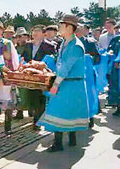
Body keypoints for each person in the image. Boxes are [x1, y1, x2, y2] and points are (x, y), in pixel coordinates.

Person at [37, 15, 89, 152]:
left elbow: (66, 67)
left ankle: (59, 143)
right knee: (68, 111)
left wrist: (56, 84)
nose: (59, 28)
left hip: (71, 84)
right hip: (67, 82)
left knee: (59, 111)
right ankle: (71, 140)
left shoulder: (76, 46)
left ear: (69, 28)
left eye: (61, 25)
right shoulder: (65, 43)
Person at [17, 25, 56, 128]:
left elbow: (52, 62)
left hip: (42, 76)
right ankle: (34, 115)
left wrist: (40, 66)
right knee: (31, 96)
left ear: (44, 34)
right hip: (29, 74)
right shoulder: (28, 45)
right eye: (33, 31)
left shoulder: (50, 46)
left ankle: (37, 121)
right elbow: (23, 58)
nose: (35, 33)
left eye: (38, 31)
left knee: (40, 98)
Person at [76, 24, 101, 128]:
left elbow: (97, 58)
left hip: (88, 75)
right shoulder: (68, 43)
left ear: (83, 31)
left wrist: (88, 59)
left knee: (89, 95)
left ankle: (90, 117)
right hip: (75, 75)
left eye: (79, 29)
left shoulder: (90, 42)